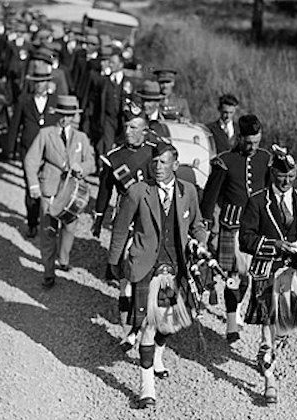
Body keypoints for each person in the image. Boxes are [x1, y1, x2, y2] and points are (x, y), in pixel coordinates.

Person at [108, 142, 209, 409]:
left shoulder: (188, 192)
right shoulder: (139, 192)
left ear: (175, 165)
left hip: (176, 267)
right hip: (145, 266)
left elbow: (197, 225)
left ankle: (158, 356)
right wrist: (113, 262)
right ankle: (146, 388)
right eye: (155, 162)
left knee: (169, 324)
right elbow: (120, 229)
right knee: (148, 326)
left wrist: (201, 243)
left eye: (164, 163)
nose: (158, 167)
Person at [238, 147, 297, 405]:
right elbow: (245, 238)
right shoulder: (257, 201)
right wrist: (275, 245)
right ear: (272, 173)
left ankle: (271, 347)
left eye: (291, 176)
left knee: (286, 325)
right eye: (281, 176)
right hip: (266, 271)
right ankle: (270, 380)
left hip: (292, 272)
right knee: (269, 324)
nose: (286, 181)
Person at [200, 114, 271, 343]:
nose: (253, 147)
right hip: (232, 226)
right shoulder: (225, 161)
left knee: (251, 276)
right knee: (233, 275)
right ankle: (231, 323)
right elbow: (210, 197)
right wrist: (205, 224)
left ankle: (240, 309)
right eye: (248, 142)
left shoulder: (266, 159)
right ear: (239, 137)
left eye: (257, 142)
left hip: (258, 228)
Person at [92, 110, 156, 351]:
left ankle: (144, 326)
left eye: (133, 127)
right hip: (125, 220)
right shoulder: (114, 157)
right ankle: (127, 332)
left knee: (146, 275)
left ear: (144, 131)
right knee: (123, 277)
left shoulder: (154, 152)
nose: (128, 131)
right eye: (126, 126)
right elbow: (105, 190)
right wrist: (99, 218)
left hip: (149, 219)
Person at [24, 95, 95, 288]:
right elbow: (30, 161)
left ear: (74, 116)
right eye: (62, 115)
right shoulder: (46, 134)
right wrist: (33, 186)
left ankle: (63, 259)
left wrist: (82, 167)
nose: (65, 119)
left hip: (71, 193)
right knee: (48, 231)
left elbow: (92, 163)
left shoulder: (81, 138)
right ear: (57, 115)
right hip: (49, 190)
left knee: (70, 228)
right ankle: (48, 272)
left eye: (69, 115)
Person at [6, 67, 58, 238]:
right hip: (29, 150)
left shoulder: (55, 101)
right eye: (36, 82)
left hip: (50, 151)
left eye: (42, 82)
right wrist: (9, 148)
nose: (39, 85)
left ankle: (49, 221)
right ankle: (32, 222)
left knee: (51, 186)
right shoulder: (24, 100)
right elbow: (15, 125)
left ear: (48, 83)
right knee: (31, 187)